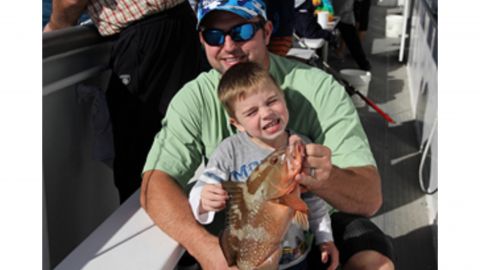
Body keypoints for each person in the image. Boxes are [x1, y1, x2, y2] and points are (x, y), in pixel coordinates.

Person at [140, 0, 394, 269]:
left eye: (242, 32)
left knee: (374, 261)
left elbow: (370, 197)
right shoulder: (193, 97)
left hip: (309, 231)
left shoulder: (319, 87)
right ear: (202, 41)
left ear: (268, 31)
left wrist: (325, 179)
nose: (228, 46)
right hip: (237, 232)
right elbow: (154, 185)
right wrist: (210, 252)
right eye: (214, 35)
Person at [44, 0, 204, 203]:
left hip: (144, 39)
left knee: (137, 160)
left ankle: (154, 225)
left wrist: (57, 27)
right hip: (182, 25)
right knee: (183, 139)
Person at [188, 62, 339, 269]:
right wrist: (204, 199)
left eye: (272, 101)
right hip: (250, 258)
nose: (266, 113)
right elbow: (201, 187)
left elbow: (314, 203)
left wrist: (325, 238)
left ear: (284, 100)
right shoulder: (229, 150)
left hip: (296, 259)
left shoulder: (301, 146)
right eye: (251, 112)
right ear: (237, 124)